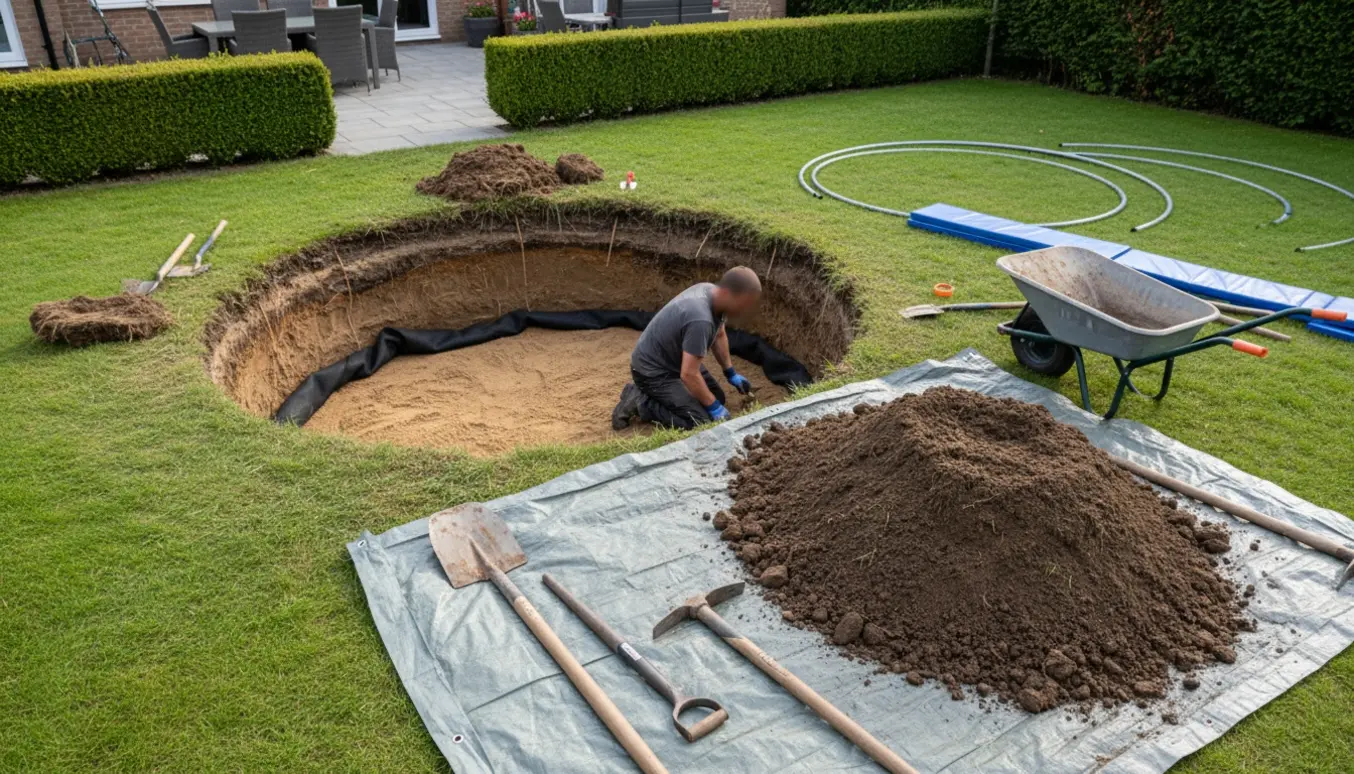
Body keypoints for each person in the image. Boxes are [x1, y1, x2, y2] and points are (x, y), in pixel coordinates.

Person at [612, 266, 763, 431]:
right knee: (701, 422)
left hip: (674, 358)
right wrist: (714, 407)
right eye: (743, 305)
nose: (744, 311)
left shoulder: (711, 292)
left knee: (717, 398)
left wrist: (730, 373)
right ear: (727, 293)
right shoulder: (701, 320)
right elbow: (689, 374)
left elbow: (719, 334)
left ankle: (679, 399)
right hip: (652, 372)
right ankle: (640, 401)